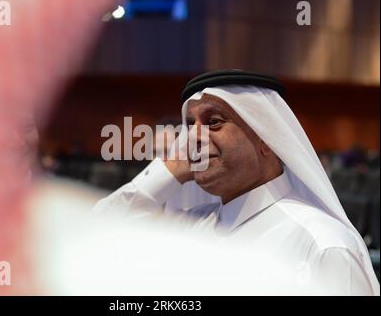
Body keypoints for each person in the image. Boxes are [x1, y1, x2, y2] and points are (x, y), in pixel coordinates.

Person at [93, 70, 380, 295]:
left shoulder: (322, 245)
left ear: (267, 139)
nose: (193, 137)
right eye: (190, 126)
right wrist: (168, 170)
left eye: (214, 122)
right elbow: (98, 238)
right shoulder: (193, 226)